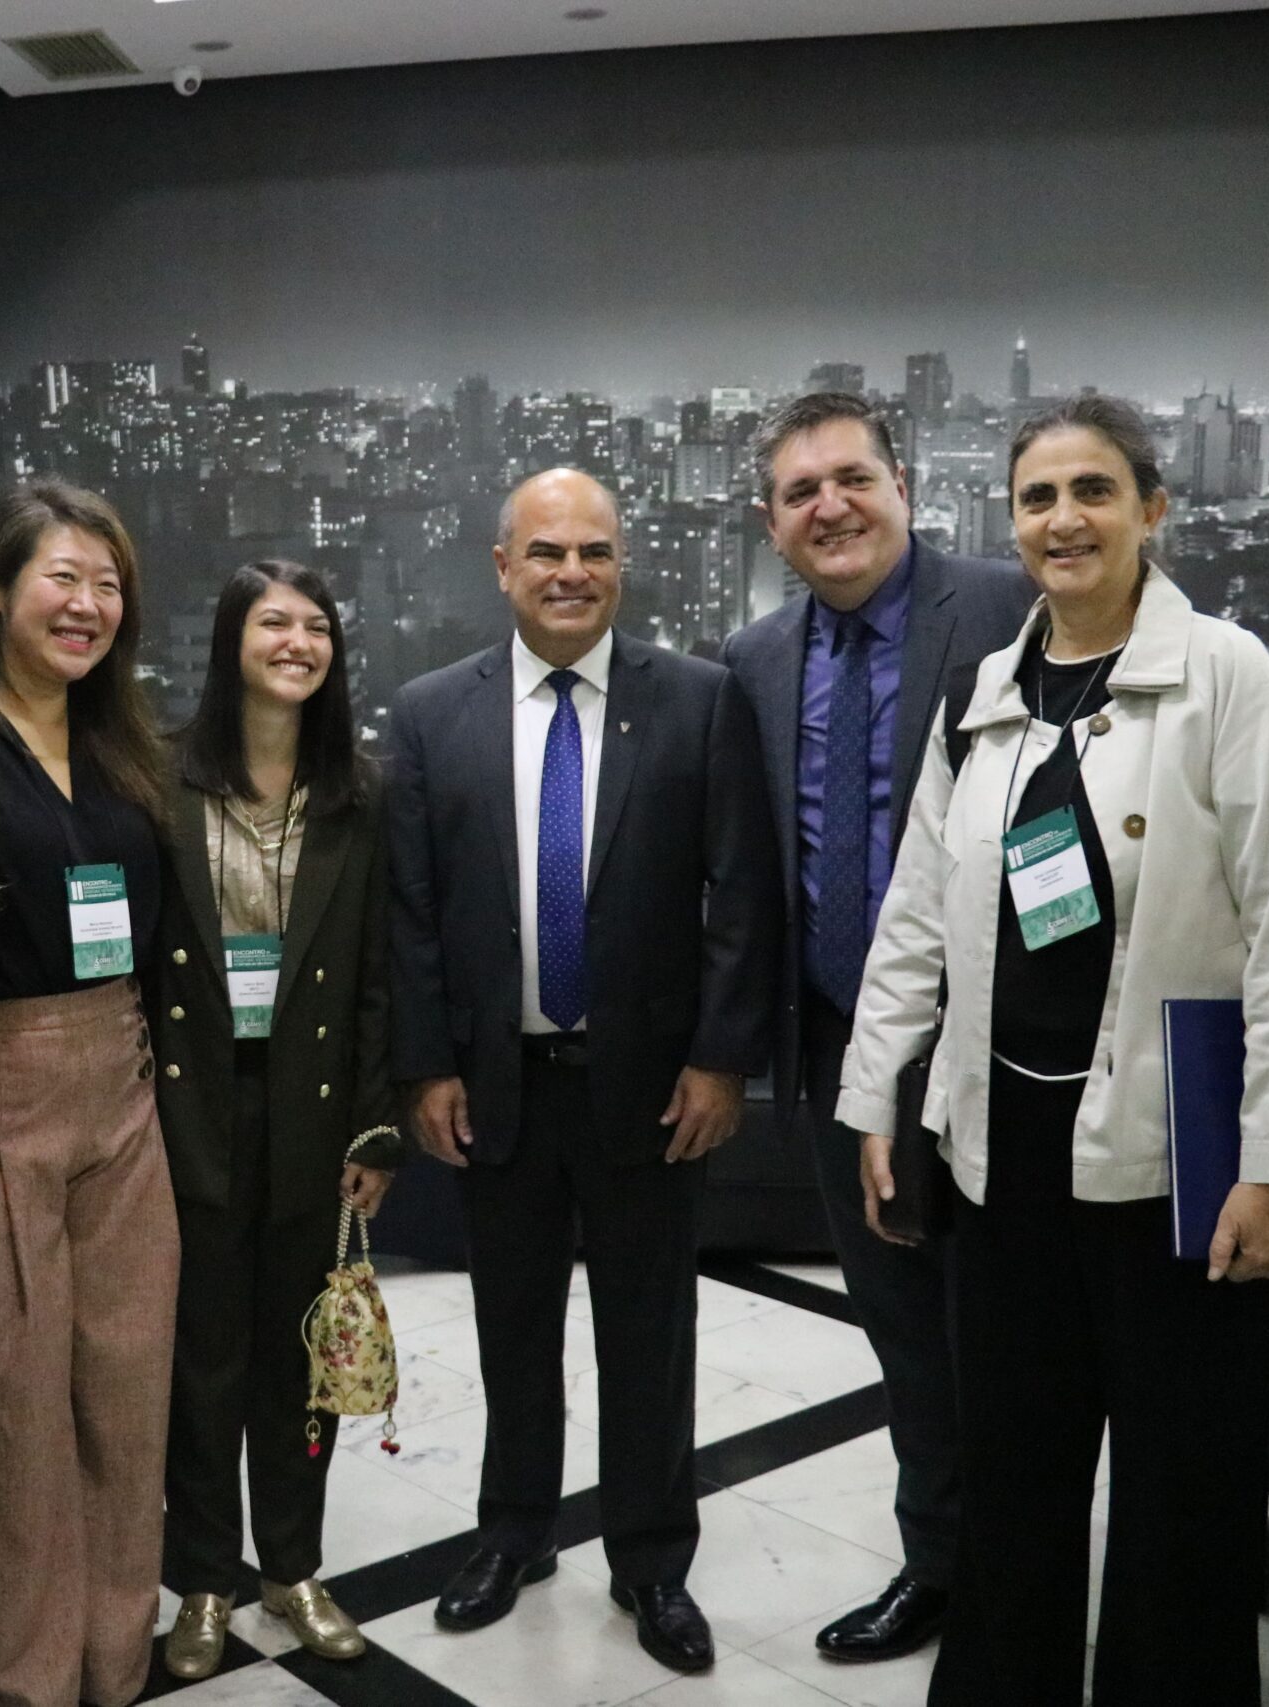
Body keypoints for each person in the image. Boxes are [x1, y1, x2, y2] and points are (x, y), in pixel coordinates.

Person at [720, 392, 1269, 1664]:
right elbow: (912, 915)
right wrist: (871, 1105)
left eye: (1092, 493)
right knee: (1006, 1460)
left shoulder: (1220, 671)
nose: (1062, 521)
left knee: (1180, 1486)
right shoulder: (986, 686)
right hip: (992, 1142)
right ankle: (978, 1636)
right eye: (1037, 499)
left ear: (1150, 509)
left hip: (1171, 1147)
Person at [383, 467, 780, 1676]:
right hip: (496, 1085)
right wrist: (427, 1068)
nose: (569, 574)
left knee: (648, 1334)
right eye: (545, 552)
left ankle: (652, 1559)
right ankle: (514, 1532)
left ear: (622, 565)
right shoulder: (429, 712)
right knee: (510, 1326)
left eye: (593, 553)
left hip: (650, 1090)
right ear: (501, 567)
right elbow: (411, 913)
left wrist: (720, 1061)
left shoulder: (700, 703)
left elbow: (740, 899)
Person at [0, 479, 181, 1707]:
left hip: (123, 1106)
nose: (87, 605)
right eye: (61, 578)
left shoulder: (125, 743)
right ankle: (10, 1686)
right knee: (9, 1436)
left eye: (107, 583)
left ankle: (110, 1667)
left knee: (127, 1418)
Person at [151, 561, 404, 1679]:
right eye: (272, 622)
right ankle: (202, 1581)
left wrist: (374, 1132)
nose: (297, 642)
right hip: (187, 1106)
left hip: (312, 1116)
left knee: (302, 1356)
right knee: (200, 1359)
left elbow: (379, 979)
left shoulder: (359, 793)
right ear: (229, 639)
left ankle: (291, 1567)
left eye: (316, 626)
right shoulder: (161, 781)